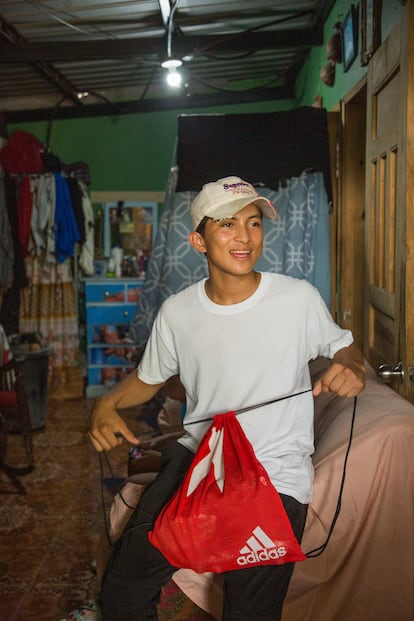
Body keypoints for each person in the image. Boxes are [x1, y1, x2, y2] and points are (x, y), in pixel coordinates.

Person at [88, 175, 365, 621]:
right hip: (198, 460)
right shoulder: (178, 311)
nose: (244, 237)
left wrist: (350, 369)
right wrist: (105, 405)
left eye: (254, 224)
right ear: (198, 239)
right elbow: (148, 378)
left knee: (249, 612)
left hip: (272, 473)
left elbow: (345, 349)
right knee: (122, 592)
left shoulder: (297, 299)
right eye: (228, 225)